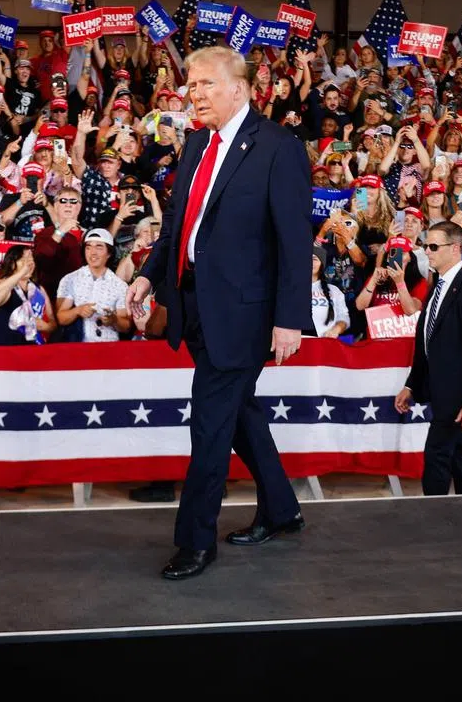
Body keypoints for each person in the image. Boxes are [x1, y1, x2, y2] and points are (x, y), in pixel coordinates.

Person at [126, 46, 313, 580]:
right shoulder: (195, 143)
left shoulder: (278, 147)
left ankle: (195, 541)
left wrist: (288, 319)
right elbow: (179, 226)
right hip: (195, 308)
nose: (195, 92)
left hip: (246, 317)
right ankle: (282, 509)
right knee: (240, 413)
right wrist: (148, 275)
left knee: (209, 424)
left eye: (206, 83)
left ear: (240, 89)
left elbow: (294, 242)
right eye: (191, 83)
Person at [394, 222, 462, 496]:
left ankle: (433, 517)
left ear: (455, 249)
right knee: (460, 456)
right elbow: (428, 341)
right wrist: (412, 384)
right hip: (442, 388)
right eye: (425, 246)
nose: (427, 252)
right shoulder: (439, 284)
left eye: (433, 246)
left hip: (460, 392)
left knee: (437, 455)